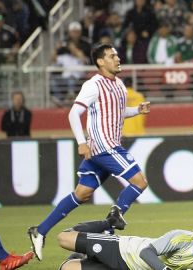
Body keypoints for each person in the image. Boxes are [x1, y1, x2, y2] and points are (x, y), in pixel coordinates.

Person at [28, 43, 151, 261]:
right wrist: (81, 142)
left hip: (101, 149)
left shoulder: (120, 85)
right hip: (105, 146)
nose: (118, 58)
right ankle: (112, 221)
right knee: (140, 181)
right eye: (112, 56)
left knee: (82, 193)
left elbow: (118, 113)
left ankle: (40, 230)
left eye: (117, 55)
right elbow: (74, 114)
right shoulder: (93, 85)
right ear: (101, 62)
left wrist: (137, 110)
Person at [57, 212, 193, 270]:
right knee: (63, 238)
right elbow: (146, 253)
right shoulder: (180, 237)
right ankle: (110, 222)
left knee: (66, 268)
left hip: (128, 268)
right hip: (121, 249)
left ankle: (80, 255)